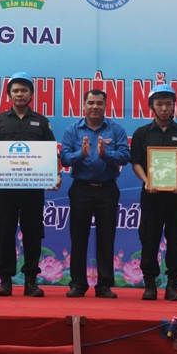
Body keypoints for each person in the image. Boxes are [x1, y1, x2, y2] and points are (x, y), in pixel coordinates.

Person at [0, 72, 61, 297]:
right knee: (5, 232)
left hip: (33, 188)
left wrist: (56, 174)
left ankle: (31, 281)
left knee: (33, 233)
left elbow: (51, 151)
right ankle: (5, 280)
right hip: (6, 188)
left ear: (31, 94)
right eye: (15, 90)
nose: (20, 94)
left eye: (24, 90)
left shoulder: (41, 121)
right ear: (9, 95)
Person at [60, 89, 130, 298]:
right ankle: (78, 284)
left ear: (106, 106)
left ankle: (104, 285)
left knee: (106, 238)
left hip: (107, 189)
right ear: (84, 105)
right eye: (91, 102)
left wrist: (106, 154)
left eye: (99, 103)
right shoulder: (72, 130)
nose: (95, 107)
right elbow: (64, 158)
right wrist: (80, 154)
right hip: (81, 189)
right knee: (78, 237)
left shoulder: (116, 130)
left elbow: (125, 156)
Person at [130, 84, 177, 301]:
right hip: (151, 195)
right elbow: (136, 163)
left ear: (175, 105)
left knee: (175, 241)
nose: (164, 108)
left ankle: (173, 286)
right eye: (159, 104)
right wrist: (147, 181)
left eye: (168, 104)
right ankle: (150, 284)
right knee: (149, 240)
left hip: (176, 196)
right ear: (151, 106)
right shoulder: (142, 133)